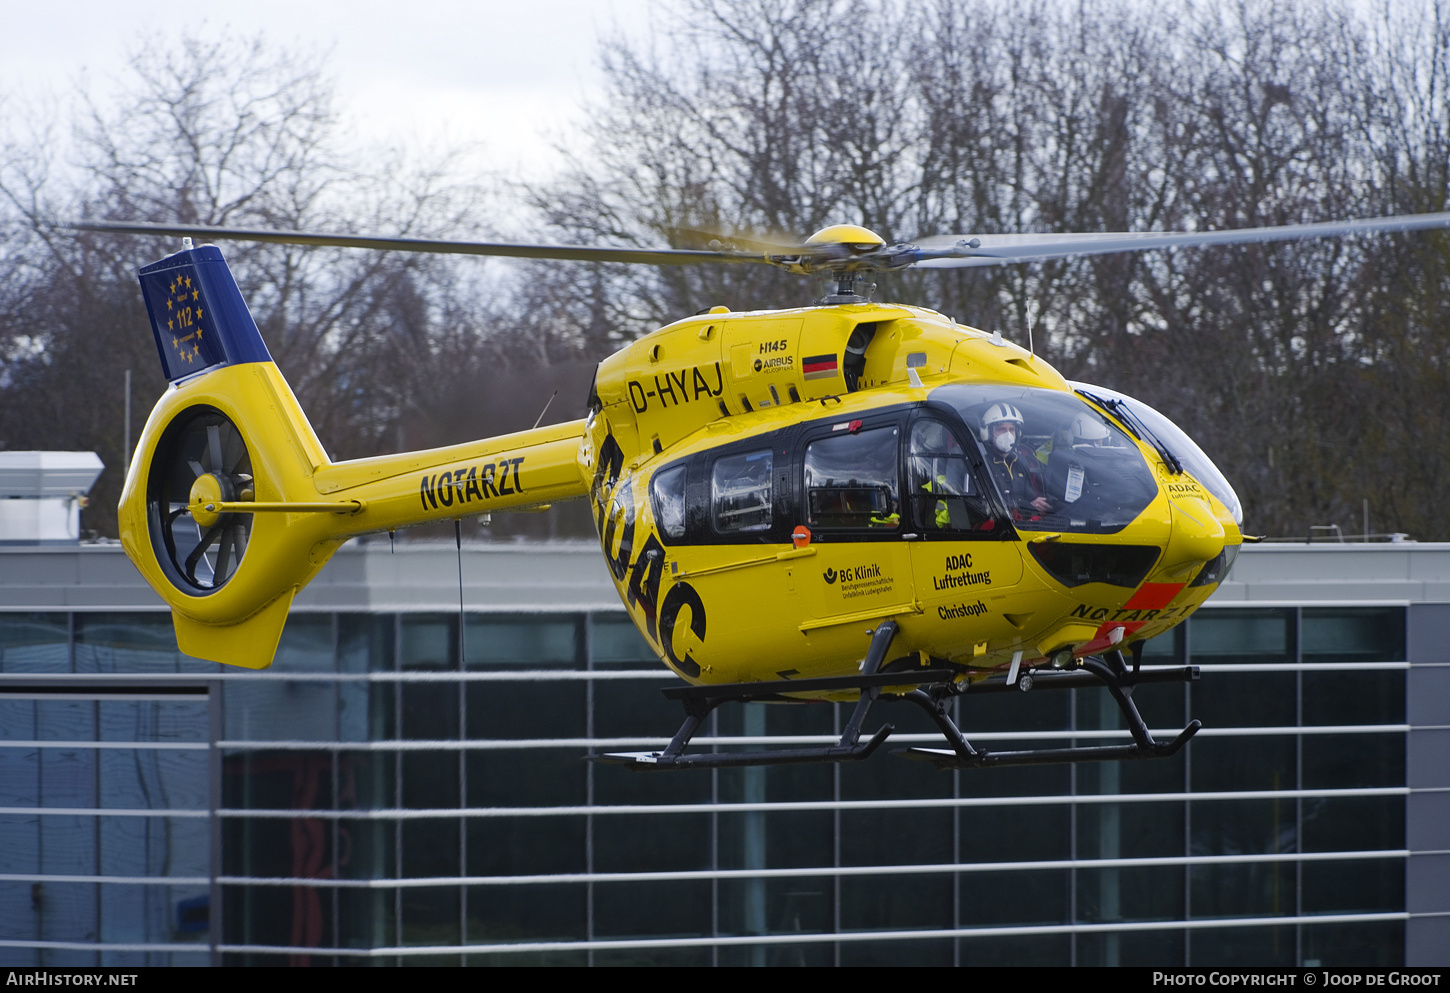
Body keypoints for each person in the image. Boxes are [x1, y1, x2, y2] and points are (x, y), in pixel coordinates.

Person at [980, 402, 1053, 518]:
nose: (1008, 434)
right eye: (1001, 429)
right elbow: (990, 503)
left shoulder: (1020, 461)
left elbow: (1030, 497)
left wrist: (1041, 504)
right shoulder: (982, 463)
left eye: (1011, 429)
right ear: (987, 432)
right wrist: (1028, 506)